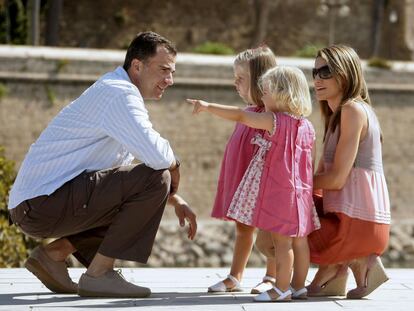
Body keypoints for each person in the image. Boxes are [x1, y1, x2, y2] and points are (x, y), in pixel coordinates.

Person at [7, 31, 197, 298]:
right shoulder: (119, 94)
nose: (170, 80)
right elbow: (157, 160)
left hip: (37, 205)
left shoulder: (115, 91)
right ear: (137, 66)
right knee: (158, 177)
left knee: (153, 182)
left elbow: (125, 180)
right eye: (164, 70)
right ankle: (99, 274)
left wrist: (174, 199)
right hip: (41, 203)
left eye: (173, 72)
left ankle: (54, 254)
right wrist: (174, 165)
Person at [188, 65, 320, 302]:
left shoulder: (274, 120)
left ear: (282, 94)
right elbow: (310, 161)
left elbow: (240, 115)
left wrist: (208, 106)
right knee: (300, 241)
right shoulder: (307, 126)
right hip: (302, 194)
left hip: (281, 193)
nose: (263, 98)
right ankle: (299, 286)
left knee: (282, 244)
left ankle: (281, 289)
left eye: (266, 93)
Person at [304, 45, 391, 299]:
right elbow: (319, 180)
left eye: (326, 71)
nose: (317, 78)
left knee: (284, 206)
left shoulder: (353, 111)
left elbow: (336, 179)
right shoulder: (337, 116)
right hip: (354, 218)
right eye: (314, 72)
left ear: (345, 73)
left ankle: (356, 260)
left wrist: (290, 184)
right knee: (289, 202)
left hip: (359, 221)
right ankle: (334, 270)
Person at [203, 46, 278, 294]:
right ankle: (235, 276)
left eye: (240, 79)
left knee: (270, 226)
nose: (235, 84)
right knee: (242, 227)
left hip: (263, 180)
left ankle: (272, 275)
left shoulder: (271, 116)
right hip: (242, 176)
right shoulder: (249, 111)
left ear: (259, 81)